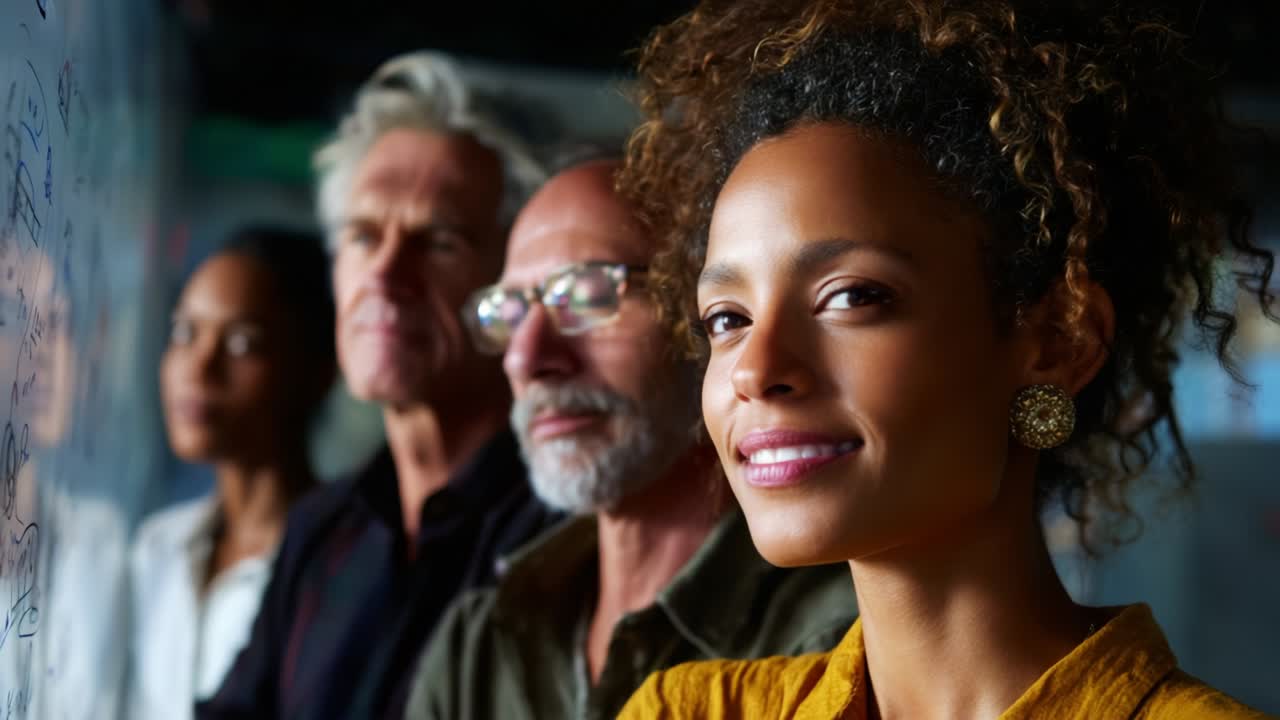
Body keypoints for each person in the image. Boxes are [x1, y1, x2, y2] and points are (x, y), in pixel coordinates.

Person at [616, 0, 1278, 718]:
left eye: (852, 296)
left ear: (1059, 341)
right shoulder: (688, 711)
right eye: (727, 318)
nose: (753, 368)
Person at [405, 157, 856, 720]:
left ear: (713, 318)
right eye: (512, 311)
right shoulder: (479, 645)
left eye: (588, 293)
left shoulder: (835, 639)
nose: (527, 357)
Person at [197, 52, 558, 720]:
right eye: (363, 237)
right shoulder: (320, 530)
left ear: (512, 285)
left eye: (438, 241)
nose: (386, 277)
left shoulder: (564, 537)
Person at [129, 226, 335, 720]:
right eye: (185, 333)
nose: (199, 368)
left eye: (242, 343)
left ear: (317, 370)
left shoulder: (334, 567)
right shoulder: (158, 547)